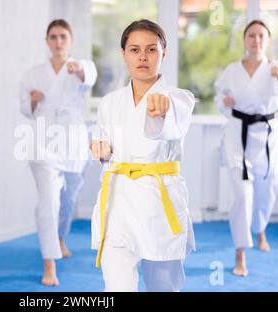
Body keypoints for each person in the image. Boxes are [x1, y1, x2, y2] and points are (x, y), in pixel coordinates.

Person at [90, 19, 195, 292]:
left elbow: (165, 125)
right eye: (134, 50)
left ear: (164, 53)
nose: (143, 57)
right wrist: (101, 150)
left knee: (162, 286)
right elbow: (107, 144)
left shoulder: (179, 98)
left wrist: (161, 111)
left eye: (151, 50)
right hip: (118, 202)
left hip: (157, 203)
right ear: (124, 53)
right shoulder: (110, 102)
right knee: (116, 286)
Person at [19, 19, 97, 286]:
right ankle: (49, 263)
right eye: (53, 37)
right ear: (47, 41)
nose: (58, 42)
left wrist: (79, 70)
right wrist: (32, 99)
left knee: (68, 199)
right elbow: (23, 107)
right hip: (43, 140)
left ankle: (60, 237)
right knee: (49, 201)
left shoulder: (81, 66)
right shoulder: (33, 73)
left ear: (70, 40)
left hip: (73, 139)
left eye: (63, 36)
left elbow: (90, 77)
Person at [214, 20, 278, 277]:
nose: (256, 40)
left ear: (267, 40)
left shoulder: (277, 67)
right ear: (245, 39)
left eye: (261, 36)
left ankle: (260, 228)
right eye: (251, 35)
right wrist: (224, 102)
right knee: (242, 195)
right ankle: (241, 253)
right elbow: (219, 96)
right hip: (238, 134)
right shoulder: (231, 70)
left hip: (267, 137)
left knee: (266, 190)